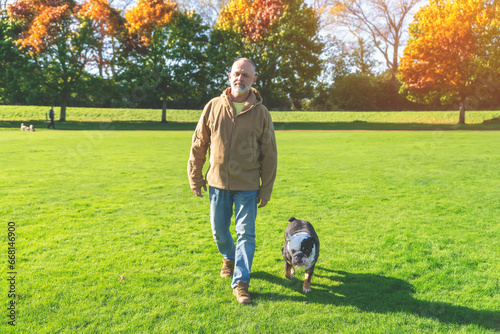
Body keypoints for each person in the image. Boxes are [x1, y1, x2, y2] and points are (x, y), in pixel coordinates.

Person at [188, 58, 277, 304]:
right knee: (219, 232)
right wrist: (195, 177)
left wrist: (265, 189)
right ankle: (228, 256)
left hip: (248, 186)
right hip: (217, 183)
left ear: (254, 80)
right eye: (237, 73)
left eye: (246, 75)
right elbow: (199, 143)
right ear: (229, 76)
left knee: (246, 234)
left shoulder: (261, 113)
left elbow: (269, 153)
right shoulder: (213, 106)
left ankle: (241, 283)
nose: (241, 78)